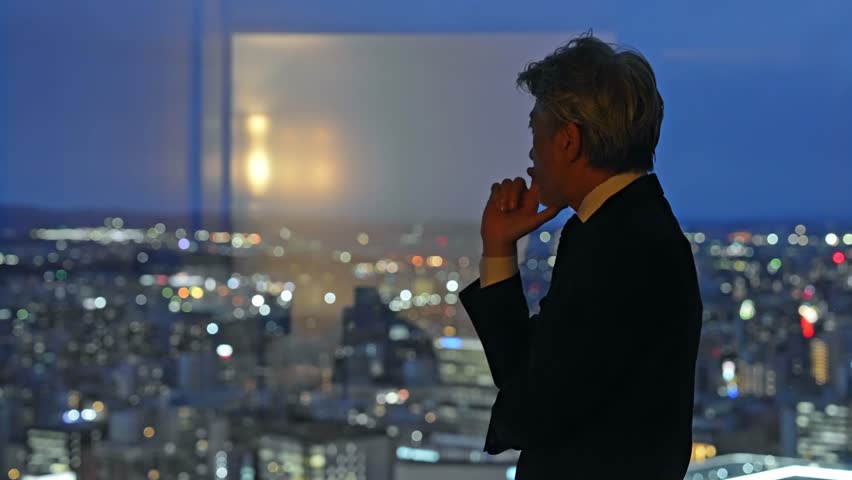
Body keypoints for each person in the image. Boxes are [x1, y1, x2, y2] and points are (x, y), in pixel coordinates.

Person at [458, 33, 703, 479]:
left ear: (568, 140)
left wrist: (512, 412)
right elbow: (531, 370)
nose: (531, 154)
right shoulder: (615, 230)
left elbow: (538, 400)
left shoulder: (622, 246)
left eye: (536, 132)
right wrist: (498, 249)